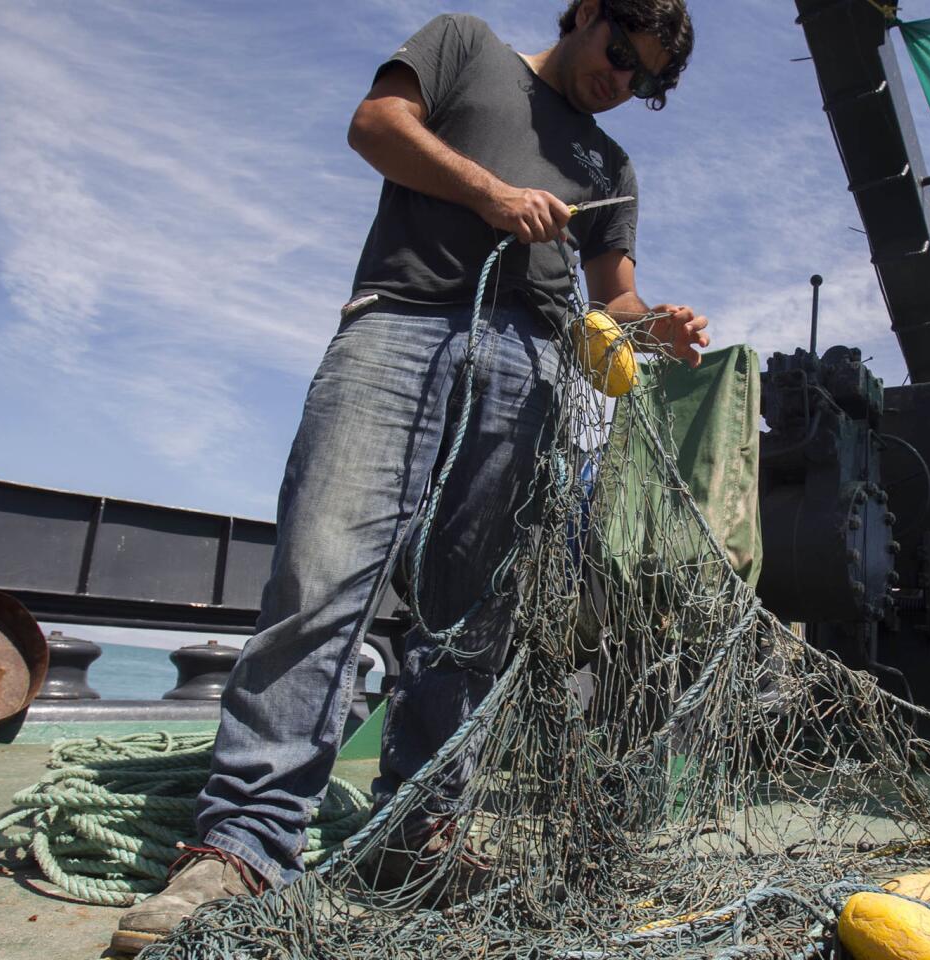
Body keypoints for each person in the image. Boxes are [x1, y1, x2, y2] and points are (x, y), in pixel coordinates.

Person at [111, 1, 706, 953]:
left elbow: (615, 297)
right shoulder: (464, 44)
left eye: (646, 80)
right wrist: (488, 195)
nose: (623, 80)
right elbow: (375, 125)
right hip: (403, 327)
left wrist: (654, 326)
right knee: (321, 573)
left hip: (537, 371)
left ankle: (417, 834)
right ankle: (244, 845)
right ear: (589, 12)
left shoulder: (613, 168)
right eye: (622, 51)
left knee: (472, 620)